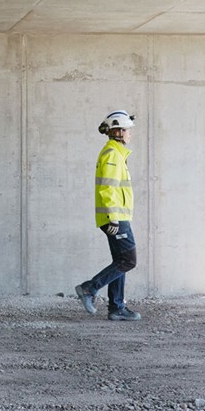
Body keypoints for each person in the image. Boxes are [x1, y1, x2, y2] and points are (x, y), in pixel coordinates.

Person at [74, 110, 142, 321]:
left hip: (118, 217)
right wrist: (113, 216)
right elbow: (108, 188)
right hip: (116, 219)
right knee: (128, 261)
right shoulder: (113, 155)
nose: (130, 134)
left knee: (120, 261)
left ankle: (116, 308)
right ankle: (89, 289)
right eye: (127, 131)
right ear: (118, 131)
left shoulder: (116, 153)